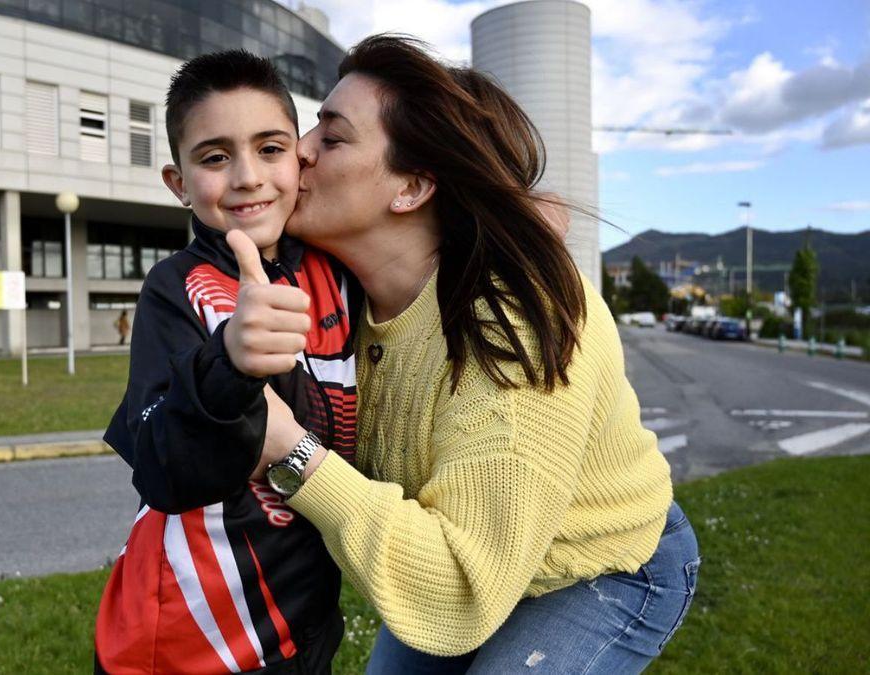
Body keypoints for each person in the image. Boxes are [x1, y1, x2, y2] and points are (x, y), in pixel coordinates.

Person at [225, 35, 699, 673]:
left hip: (603, 565)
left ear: (413, 187)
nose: (299, 150)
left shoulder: (513, 324)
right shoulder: (326, 292)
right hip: (464, 557)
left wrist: (293, 456)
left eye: (331, 138)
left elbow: (454, 587)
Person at [93, 50, 359, 674]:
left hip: (303, 619)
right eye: (214, 157)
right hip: (187, 641)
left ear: (301, 156)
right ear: (178, 183)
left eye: (270, 148)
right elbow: (162, 468)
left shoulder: (338, 268)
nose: (246, 176)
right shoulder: (174, 288)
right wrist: (228, 368)